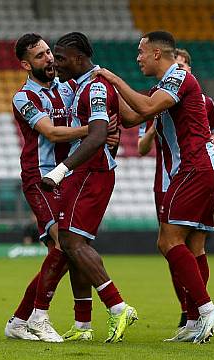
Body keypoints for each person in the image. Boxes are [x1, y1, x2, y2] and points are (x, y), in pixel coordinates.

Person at [95, 30, 214, 344]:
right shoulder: (162, 88)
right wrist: (108, 97)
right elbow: (131, 116)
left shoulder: (179, 78)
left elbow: (144, 108)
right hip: (195, 170)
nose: (137, 58)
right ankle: (194, 320)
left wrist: (113, 79)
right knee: (189, 246)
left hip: (196, 168)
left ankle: (207, 309)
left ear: (156, 53)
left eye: (141, 52)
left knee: (168, 242)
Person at [41, 32, 137, 344]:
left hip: (91, 173)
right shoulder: (77, 85)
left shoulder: (95, 87)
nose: (57, 62)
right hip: (83, 174)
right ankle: (83, 326)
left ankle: (118, 306)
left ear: (81, 59)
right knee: (72, 245)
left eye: (63, 57)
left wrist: (60, 170)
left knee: (71, 242)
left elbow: (97, 135)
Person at [6, 33, 94, 343]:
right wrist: (95, 131)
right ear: (26, 64)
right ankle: (36, 319)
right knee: (63, 245)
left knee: (65, 254)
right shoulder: (24, 97)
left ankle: (20, 320)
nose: (50, 59)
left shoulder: (68, 87)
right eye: (41, 56)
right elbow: (52, 132)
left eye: (49, 52)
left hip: (66, 177)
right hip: (40, 178)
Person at [137, 47, 214, 329]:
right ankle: (192, 319)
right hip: (171, 177)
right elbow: (139, 140)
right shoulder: (156, 94)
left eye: (184, 67)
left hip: (191, 171)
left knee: (174, 242)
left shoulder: (199, 99)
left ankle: (201, 311)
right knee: (183, 248)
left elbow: (212, 137)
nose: (181, 72)